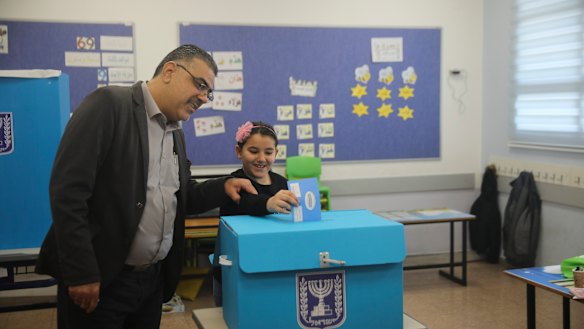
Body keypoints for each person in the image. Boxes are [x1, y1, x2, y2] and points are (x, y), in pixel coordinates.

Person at [35, 44, 257, 329]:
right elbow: (68, 192)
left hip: (150, 285)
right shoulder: (109, 104)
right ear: (169, 71)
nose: (204, 98)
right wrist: (81, 273)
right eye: (201, 85)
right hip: (102, 279)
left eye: (209, 92)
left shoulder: (175, 132)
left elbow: (181, 194)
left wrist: (224, 185)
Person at [212, 120, 299, 306]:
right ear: (239, 152)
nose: (261, 158)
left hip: (273, 262)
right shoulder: (233, 183)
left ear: (276, 153)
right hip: (234, 265)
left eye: (268, 152)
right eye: (253, 151)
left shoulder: (283, 183)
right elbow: (247, 202)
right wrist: (269, 202)